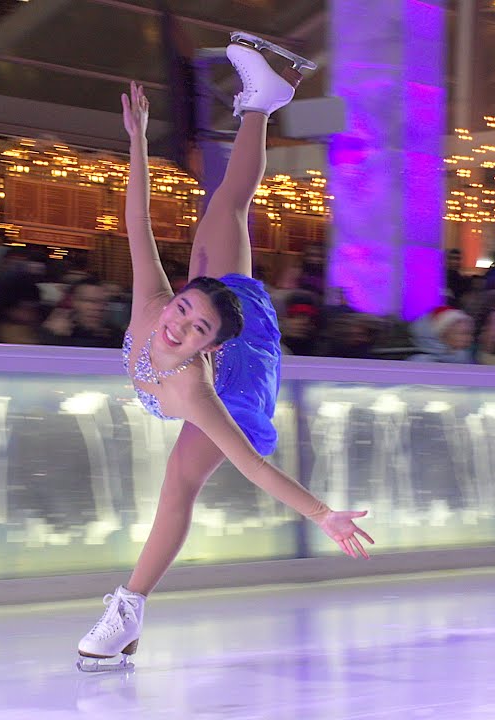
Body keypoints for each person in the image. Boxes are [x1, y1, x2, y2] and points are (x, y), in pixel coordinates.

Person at [75, 33, 374, 673]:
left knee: (177, 488)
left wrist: (324, 516)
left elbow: (256, 470)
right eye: (184, 310)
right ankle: (262, 102)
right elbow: (137, 223)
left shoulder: (201, 392)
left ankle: (127, 610)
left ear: (210, 347)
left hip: (240, 381)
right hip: (226, 303)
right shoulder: (156, 305)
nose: (177, 326)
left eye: (195, 329)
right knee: (227, 206)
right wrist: (136, 141)